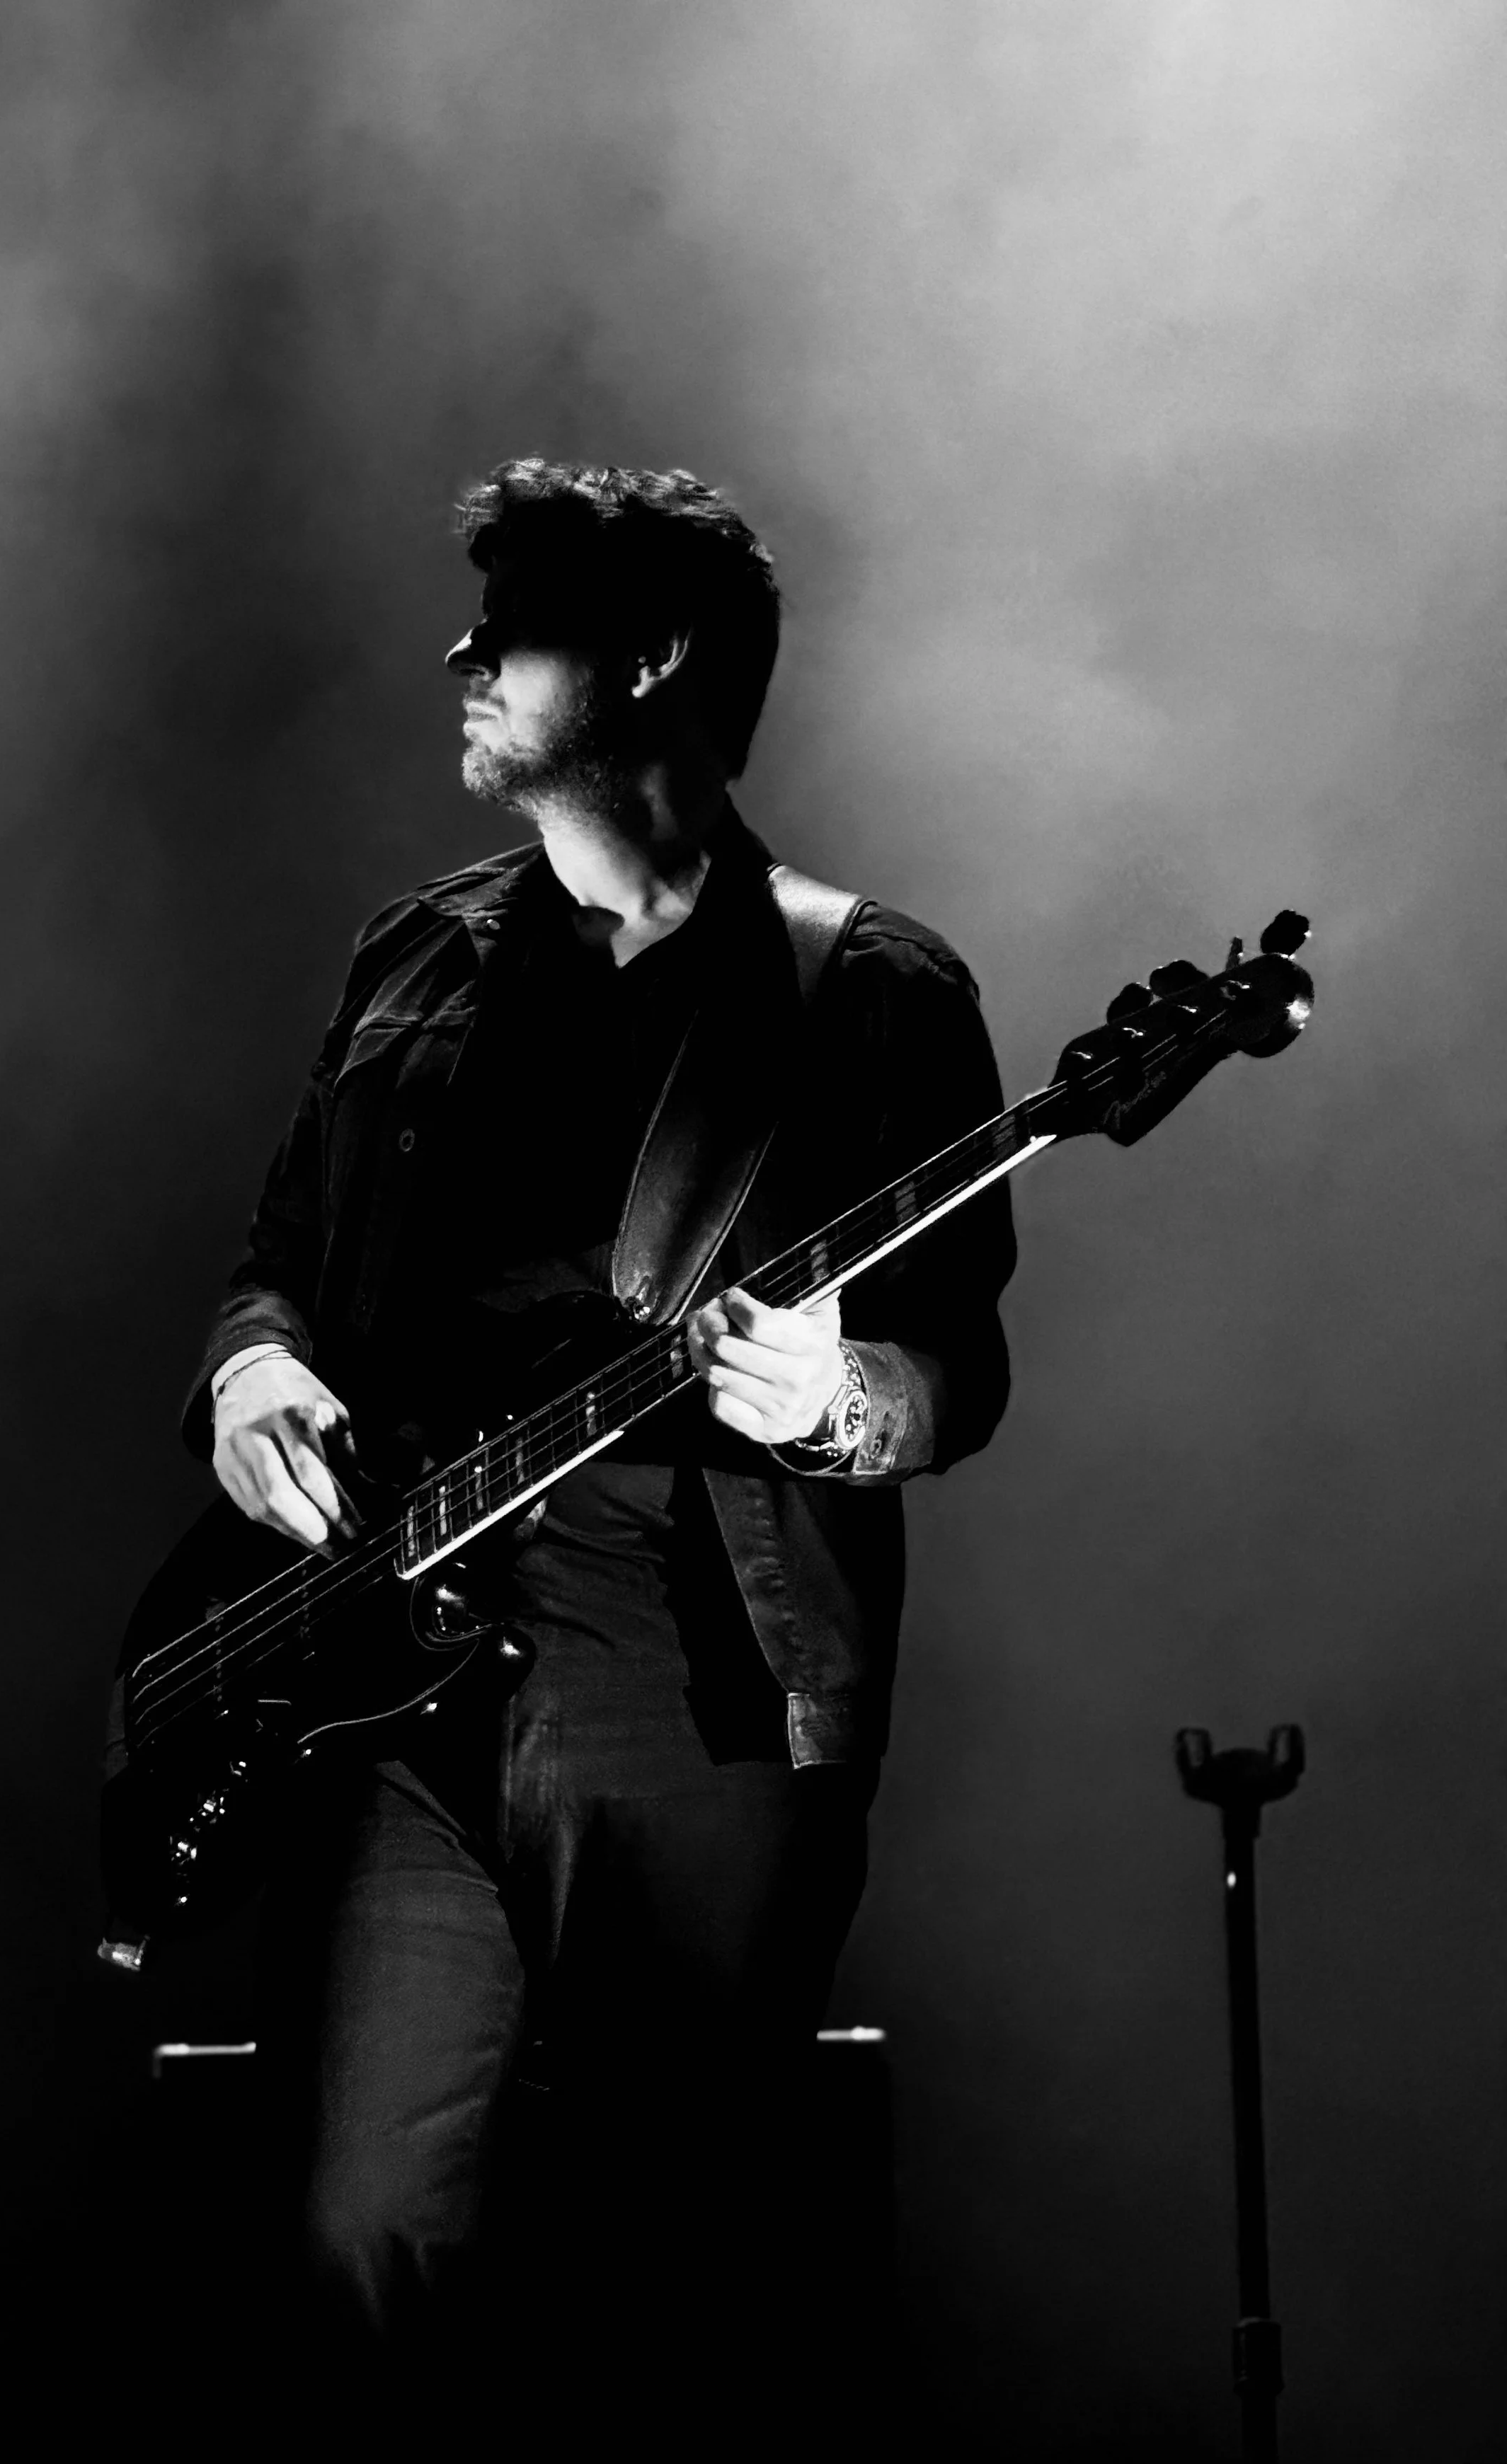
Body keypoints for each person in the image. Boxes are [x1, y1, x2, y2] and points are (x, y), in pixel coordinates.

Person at [185, 459, 1016, 2421]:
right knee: (354, 2236)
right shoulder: (415, 955)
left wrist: (839, 1403)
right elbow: (273, 1262)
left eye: (512, 627)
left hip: (694, 1686)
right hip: (392, 1701)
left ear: (646, 666)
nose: (457, 655)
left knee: (670, 2262)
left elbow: (959, 1363)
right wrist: (249, 1375)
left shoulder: (865, 992)